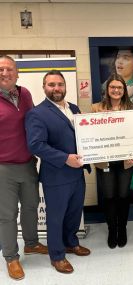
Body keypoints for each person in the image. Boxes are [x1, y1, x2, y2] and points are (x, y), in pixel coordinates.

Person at [25, 70, 91, 274]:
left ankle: (71, 242)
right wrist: (64, 158)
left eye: (60, 84)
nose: (56, 88)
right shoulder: (36, 113)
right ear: (44, 87)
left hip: (77, 173)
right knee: (56, 217)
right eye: (51, 84)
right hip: (57, 175)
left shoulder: (73, 108)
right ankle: (57, 255)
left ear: (65, 86)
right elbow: (36, 145)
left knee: (73, 212)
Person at [0, 55, 48, 281]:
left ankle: (31, 243)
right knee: (8, 215)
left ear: (17, 73)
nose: (5, 73)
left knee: (30, 206)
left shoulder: (25, 94)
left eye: (9, 69)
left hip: (28, 163)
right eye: (1, 69)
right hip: (4, 168)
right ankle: (11, 257)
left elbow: (35, 122)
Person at [92, 73, 133, 249]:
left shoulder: (132, 109)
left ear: (124, 90)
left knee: (123, 196)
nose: (116, 90)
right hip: (105, 162)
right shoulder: (96, 108)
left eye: (119, 87)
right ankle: (112, 229)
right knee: (109, 196)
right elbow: (91, 134)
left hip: (126, 160)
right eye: (113, 87)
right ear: (107, 89)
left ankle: (122, 228)